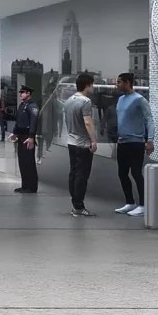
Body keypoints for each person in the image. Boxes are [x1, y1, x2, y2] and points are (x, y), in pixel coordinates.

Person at [115, 73, 154, 217]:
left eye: (119, 82)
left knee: (136, 173)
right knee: (122, 173)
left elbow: (149, 119)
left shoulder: (139, 100)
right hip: (122, 141)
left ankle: (143, 205)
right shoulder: (120, 100)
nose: (116, 85)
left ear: (127, 82)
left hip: (136, 142)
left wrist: (150, 140)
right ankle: (129, 202)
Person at [64, 73, 98, 217]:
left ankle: (75, 203)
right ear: (88, 85)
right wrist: (94, 140)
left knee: (73, 173)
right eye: (92, 84)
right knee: (82, 176)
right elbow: (88, 122)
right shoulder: (85, 101)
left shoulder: (69, 100)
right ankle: (78, 206)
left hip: (71, 142)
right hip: (83, 144)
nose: (93, 87)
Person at [10, 85, 40, 194]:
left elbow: (33, 121)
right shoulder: (22, 105)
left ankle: (31, 187)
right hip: (21, 136)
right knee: (22, 161)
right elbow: (19, 120)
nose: (20, 94)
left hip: (28, 136)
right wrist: (14, 132)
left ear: (28, 93)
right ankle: (24, 185)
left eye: (22, 92)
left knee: (29, 162)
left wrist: (31, 136)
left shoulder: (32, 106)